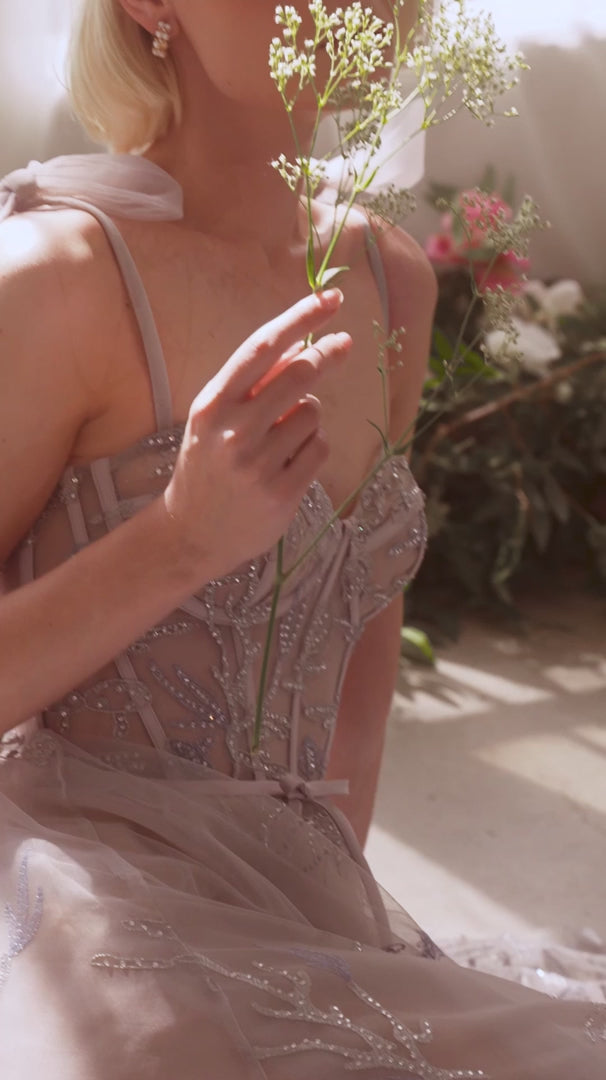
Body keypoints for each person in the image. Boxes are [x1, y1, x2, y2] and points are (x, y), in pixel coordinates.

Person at [0, 1, 604, 1075]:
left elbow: (364, 646)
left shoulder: (389, 277)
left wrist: (331, 924)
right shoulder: (54, 277)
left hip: (288, 890)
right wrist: (178, 540)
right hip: (64, 882)